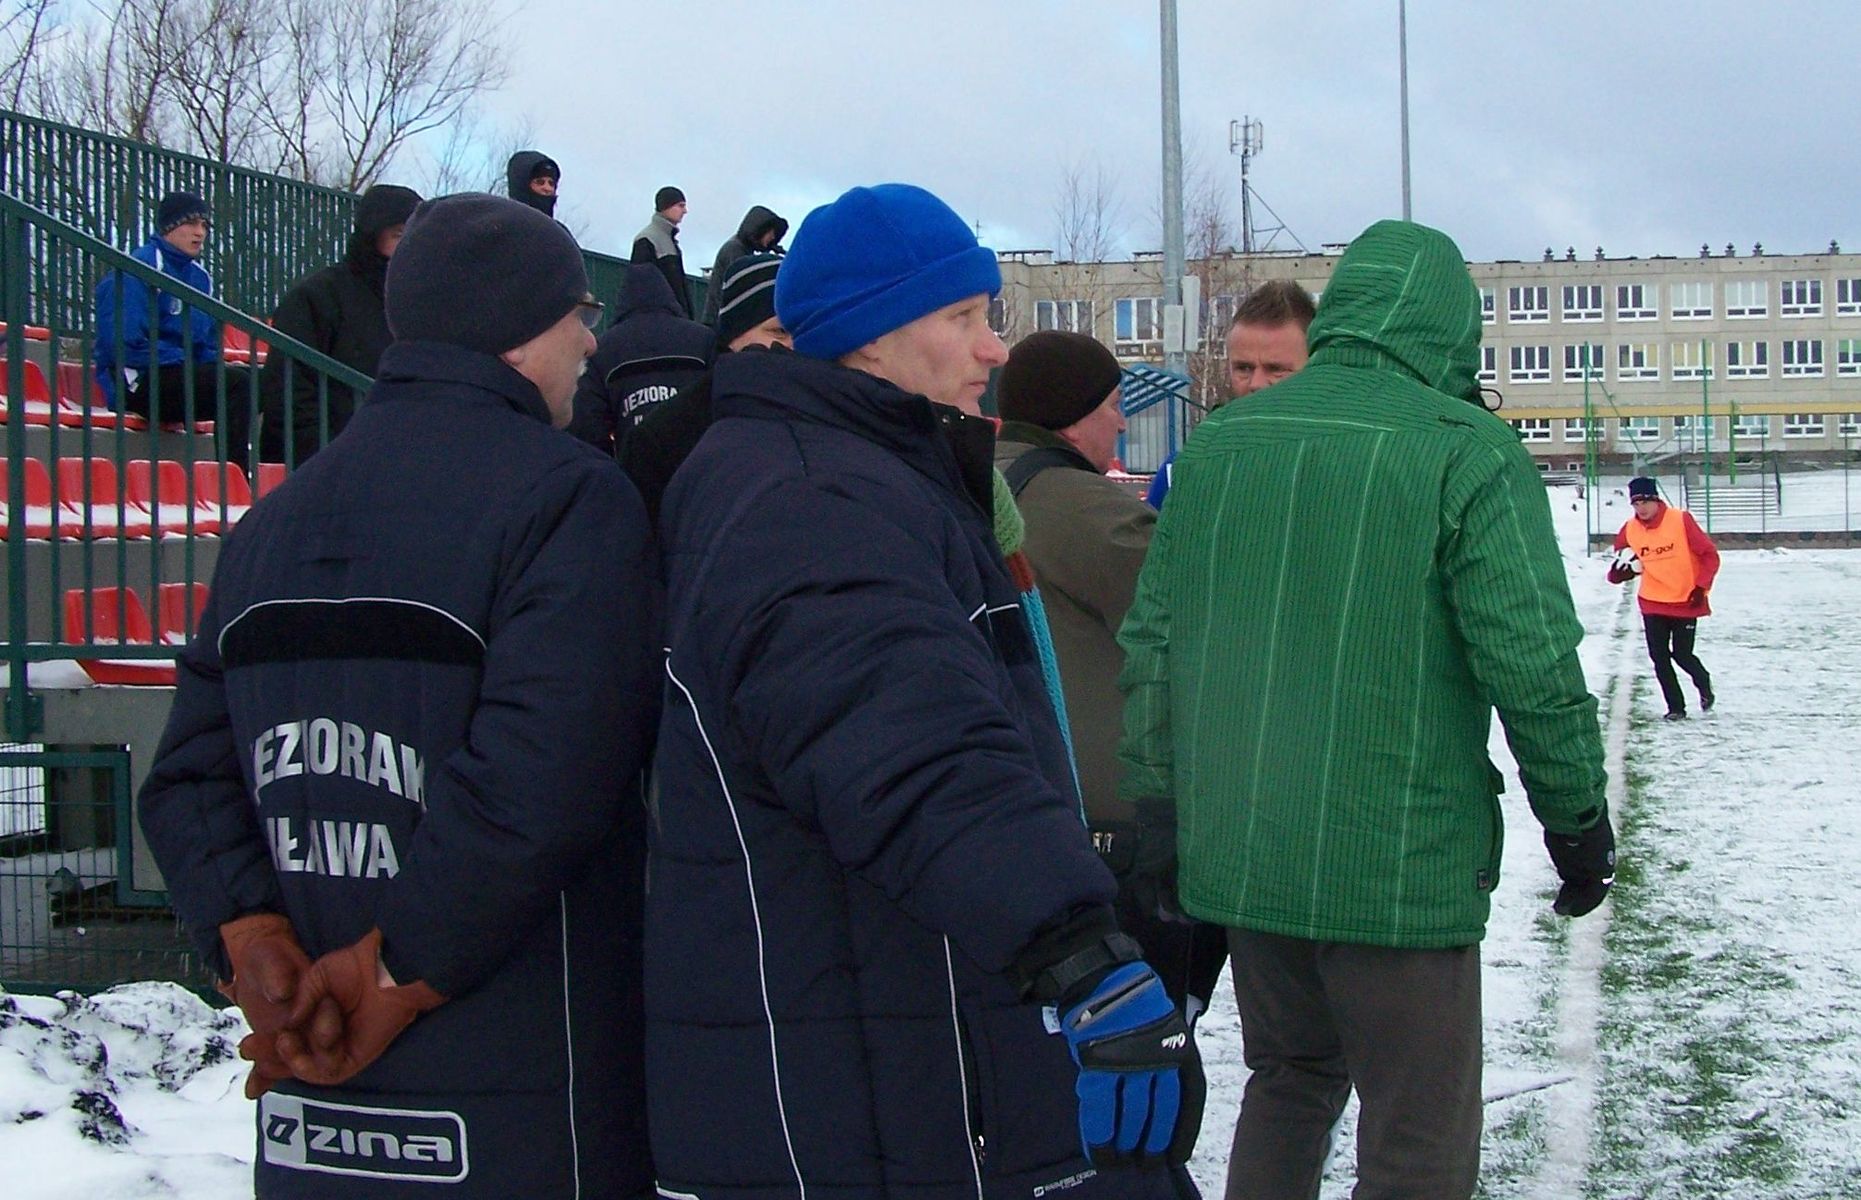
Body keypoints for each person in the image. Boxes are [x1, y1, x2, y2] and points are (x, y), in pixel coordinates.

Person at [647, 182, 1201, 1199]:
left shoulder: (864, 472)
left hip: (904, 1020)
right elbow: (909, 742)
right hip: (860, 1066)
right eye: (962, 318)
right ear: (868, 338)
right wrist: (1078, 951)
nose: (995, 349)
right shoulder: (812, 500)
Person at [138, 193, 659, 1200]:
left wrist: (253, 941)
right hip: (526, 1092)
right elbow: (543, 775)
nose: (589, 343)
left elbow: (188, 776)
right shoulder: (568, 496)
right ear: (513, 327)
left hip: (313, 1099)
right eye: (573, 315)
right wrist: (390, 974)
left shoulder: (270, 526)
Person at [1118, 219, 1614, 1200]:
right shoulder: (1462, 449)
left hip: (1246, 846)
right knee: (1417, 1129)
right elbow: (1530, 661)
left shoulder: (1219, 447)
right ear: (1451, 332)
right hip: (1393, 860)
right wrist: (1577, 819)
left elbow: (1154, 641)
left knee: (1288, 1079)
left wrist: (1160, 807)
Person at [994, 330, 1227, 1025]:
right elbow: (1202, 623)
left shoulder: (965, 474)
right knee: (1142, 1041)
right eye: (1113, 404)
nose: (1122, 421)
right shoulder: (1086, 509)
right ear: (1072, 411)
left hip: (1006, 805)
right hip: (1113, 828)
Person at [619, 251, 787, 526]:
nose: (792, 345)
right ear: (735, 333)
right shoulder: (665, 437)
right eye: (778, 332)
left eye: (802, 331)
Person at [260, 183, 422, 464]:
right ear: (371, 235)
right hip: (330, 460)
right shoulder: (317, 297)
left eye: (416, 237)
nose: (408, 247)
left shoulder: (422, 303)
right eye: (399, 235)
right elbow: (289, 392)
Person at [93, 190, 255, 459]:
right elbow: (123, 344)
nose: (200, 232)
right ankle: (235, 477)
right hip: (139, 383)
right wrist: (182, 361)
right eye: (191, 223)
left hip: (180, 375)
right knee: (236, 384)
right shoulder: (138, 267)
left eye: (204, 225)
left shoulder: (200, 278)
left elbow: (207, 343)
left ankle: (271, 472)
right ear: (169, 227)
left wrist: (203, 365)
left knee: (266, 382)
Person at [1146, 279, 1315, 508]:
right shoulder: (1181, 474)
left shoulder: (1348, 469)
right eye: (1244, 368)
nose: (1256, 384)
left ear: (1314, 366)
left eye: (1276, 369)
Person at [566, 260, 714, 457]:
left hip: (634, 472)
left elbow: (588, 426)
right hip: (699, 468)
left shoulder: (603, 350)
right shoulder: (705, 340)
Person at [1608, 475, 1719, 721]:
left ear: (1657, 500)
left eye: (1646, 501)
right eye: (1636, 503)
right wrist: (1618, 574)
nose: (1641, 508)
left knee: (1682, 654)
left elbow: (1710, 555)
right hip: (1652, 602)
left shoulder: (1680, 520)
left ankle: (1703, 683)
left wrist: (1701, 588)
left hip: (1685, 600)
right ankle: (1676, 708)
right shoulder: (1630, 529)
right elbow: (1621, 562)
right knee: (1659, 657)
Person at [700, 205, 788, 324]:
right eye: (770, 233)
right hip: (720, 322)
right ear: (760, 230)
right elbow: (744, 285)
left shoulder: (740, 248)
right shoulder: (735, 249)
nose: (772, 237)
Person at [632, 185, 694, 317]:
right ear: (666, 206)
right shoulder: (647, 239)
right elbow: (640, 287)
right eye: (680, 205)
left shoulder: (669, 241)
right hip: (660, 320)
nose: (685, 211)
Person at [506, 150, 561, 218]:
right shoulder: (501, 223)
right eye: (540, 182)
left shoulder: (556, 228)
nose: (547, 188)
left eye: (551, 184)